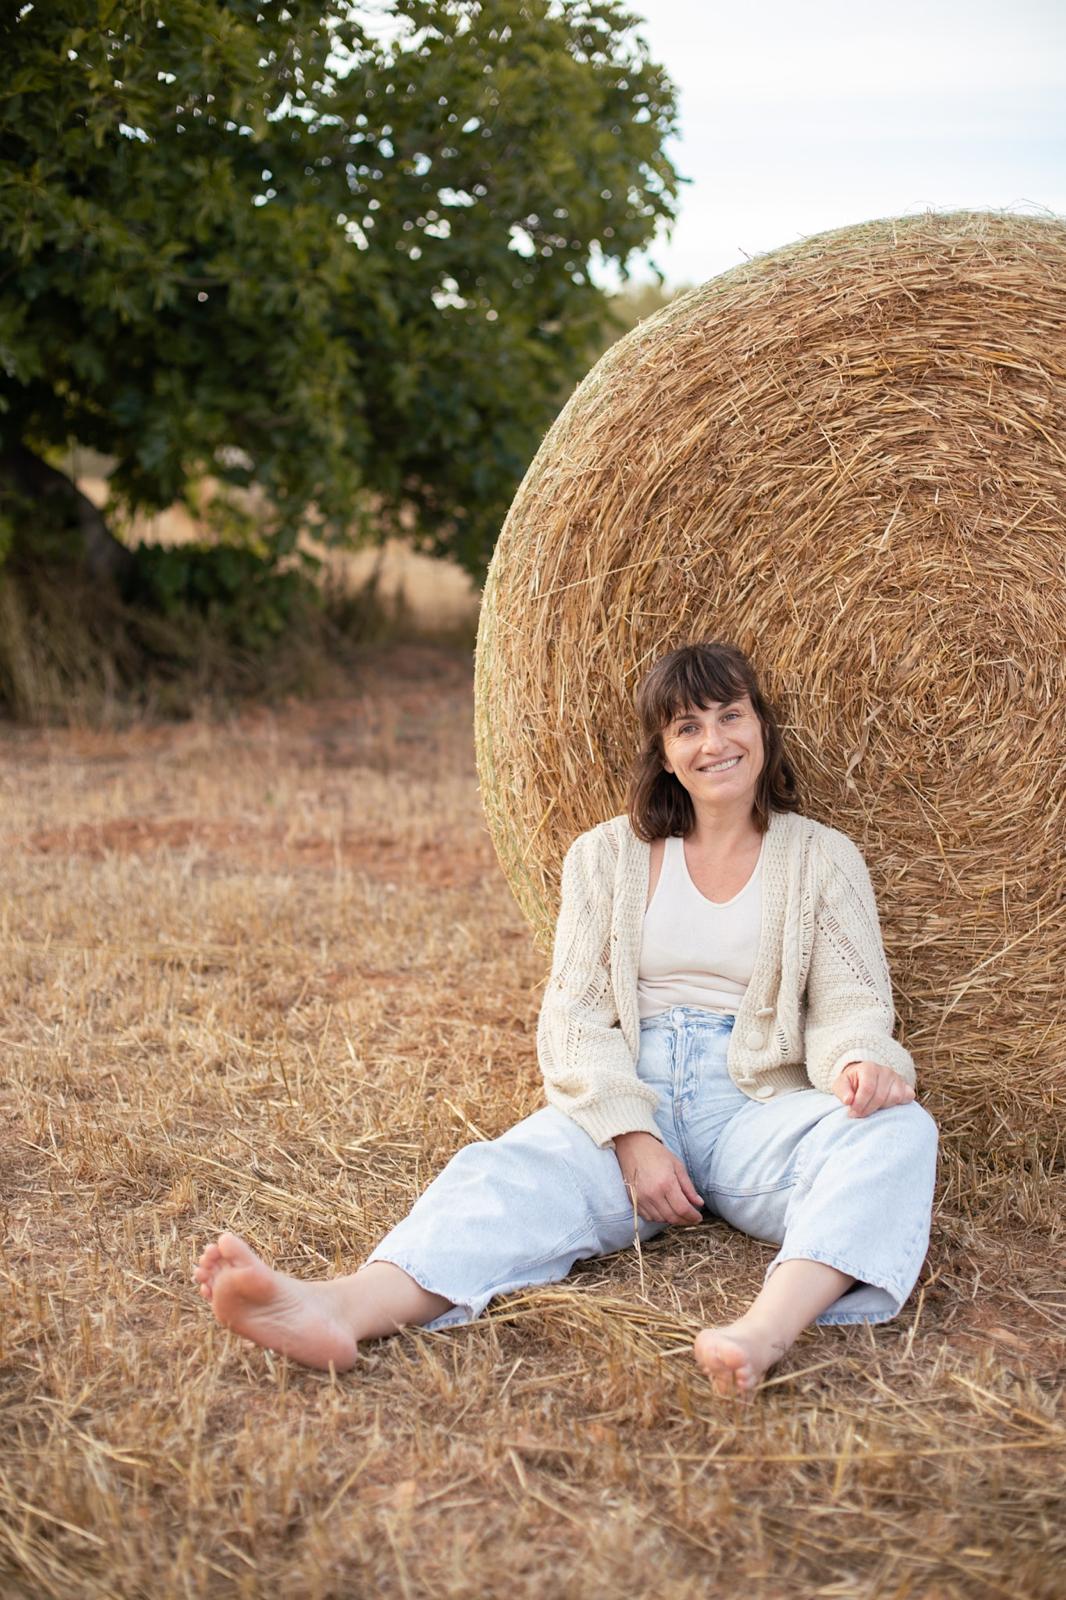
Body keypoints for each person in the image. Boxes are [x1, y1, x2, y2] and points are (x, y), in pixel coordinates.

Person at [195, 641, 937, 1397]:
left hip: (759, 1107)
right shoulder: (603, 858)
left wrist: (858, 1064)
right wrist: (633, 1138)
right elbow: (574, 1021)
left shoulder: (822, 856)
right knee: (503, 1175)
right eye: (687, 728)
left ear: (763, 727)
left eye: (730, 716)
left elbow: (850, 1004)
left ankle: (763, 1331)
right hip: (628, 1093)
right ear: (665, 753)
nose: (714, 742)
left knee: (899, 1132)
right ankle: (339, 1308)